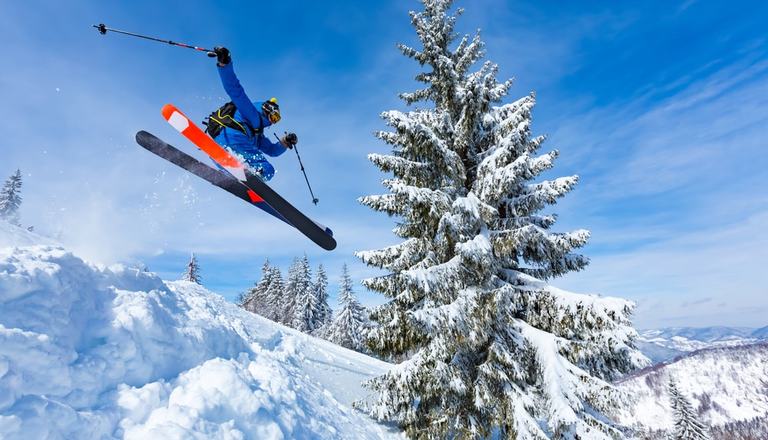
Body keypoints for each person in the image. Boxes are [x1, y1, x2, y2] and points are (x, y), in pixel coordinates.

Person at [206, 46, 298, 181]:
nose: (273, 121)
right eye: (274, 117)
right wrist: (225, 64)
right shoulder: (251, 113)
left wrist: (285, 142)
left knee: (239, 166)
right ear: (267, 110)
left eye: (276, 120)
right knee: (268, 170)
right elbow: (234, 89)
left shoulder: (256, 135)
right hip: (235, 140)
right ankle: (255, 177)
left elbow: (272, 150)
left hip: (223, 147)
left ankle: (233, 176)